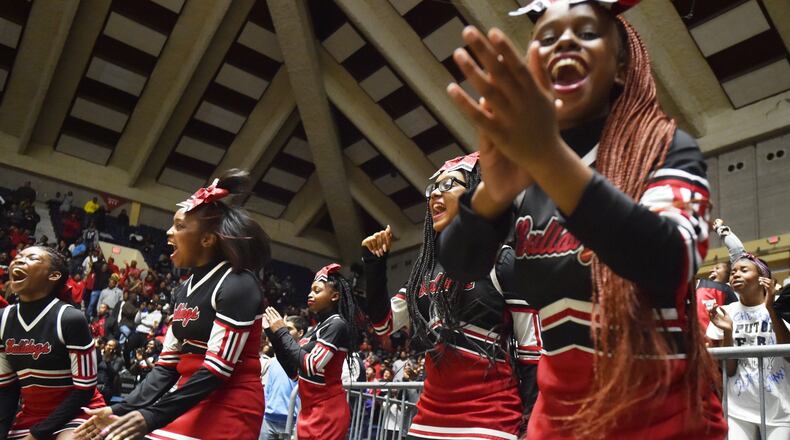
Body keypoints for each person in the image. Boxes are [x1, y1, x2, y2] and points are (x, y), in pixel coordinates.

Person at [440, 1, 726, 438]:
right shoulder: (525, 169)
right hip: (558, 422)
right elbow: (460, 266)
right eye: (548, 38)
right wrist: (490, 195)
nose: (566, 41)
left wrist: (548, 159)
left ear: (619, 66)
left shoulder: (664, 147)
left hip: (665, 420)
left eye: (587, 32)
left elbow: (670, 260)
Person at [75, 169, 271, 440]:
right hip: (186, 400)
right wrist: (119, 411)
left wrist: (151, 416)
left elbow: (217, 371)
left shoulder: (238, 283)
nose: (168, 233)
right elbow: (166, 367)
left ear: (207, 239)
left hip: (229, 404)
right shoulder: (183, 290)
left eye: (179, 226)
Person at [363, 153, 541, 440]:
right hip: (425, 423)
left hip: (488, 424)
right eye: (433, 187)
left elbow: (532, 351)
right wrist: (374, 266)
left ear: (475, 193)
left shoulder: (502, 260)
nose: (435, 193)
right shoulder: (423, 271)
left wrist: (532, 424)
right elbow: (383, 326)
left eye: (448, 184)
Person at [0, 246, 105, 439]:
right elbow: (7, 389)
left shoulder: (70, 318)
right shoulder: (2, 319)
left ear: (54, 275)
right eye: (19, 256)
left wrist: (36, 434)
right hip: (32, 416)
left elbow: (84, 391)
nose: (19, 260)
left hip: (80, 412)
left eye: (32, 258)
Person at [263, 264, 362, 440]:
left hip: (327, 412)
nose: (310, 294)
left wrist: (283, 332)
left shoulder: (337, 324)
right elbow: (294, 372)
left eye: (317, 290)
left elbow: (311, 365)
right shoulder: (316, 329)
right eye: (310, 290)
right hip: (308, 411)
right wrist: (274, 335)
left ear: (334, 296)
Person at [708, 254, 790, 439]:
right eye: (733, 272)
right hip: (738, 409)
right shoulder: (725, 312)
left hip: (779, 408)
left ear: (764, 280)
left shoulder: (782, 309)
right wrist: (728, 332)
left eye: (744, 270)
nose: (735, 275)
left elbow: (788, 355)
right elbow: (728, 371)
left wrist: (771, 309)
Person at [260, 316, 307, 440]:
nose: (281, 330)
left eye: (288, 329)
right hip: (268, 420)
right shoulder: (273, 360)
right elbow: (268, 389)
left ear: (300, 333)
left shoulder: (304, 360)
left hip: (293, 421)